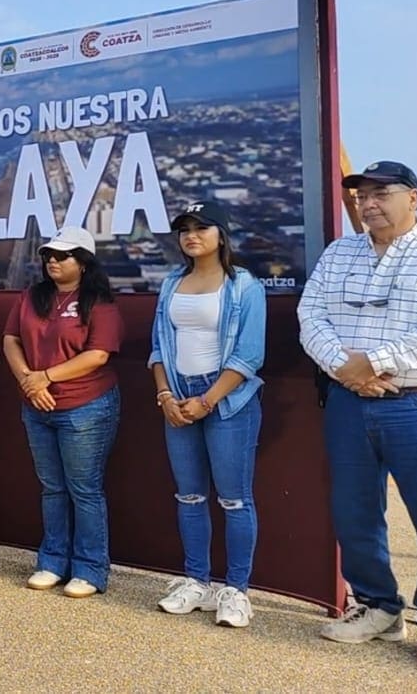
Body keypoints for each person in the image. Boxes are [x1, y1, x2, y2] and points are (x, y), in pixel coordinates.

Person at [299, 161, 417, 672]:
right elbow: (310, 315)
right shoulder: (339, 253)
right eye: (362, 196)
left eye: (382, 193)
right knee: (354, 513)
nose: (369, 203)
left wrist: (374, 361)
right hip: (349, 402)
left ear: (414, 198)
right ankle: (378, 606)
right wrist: (344, 368)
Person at [148, 202, 266, 627]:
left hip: (227, 401)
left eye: (201, 228)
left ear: (222, 234)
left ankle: (235, 590)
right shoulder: (171, 283)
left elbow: (249, 354)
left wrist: (208, 400)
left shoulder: (244, 286)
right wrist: (165, 394)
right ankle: (196, 581)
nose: (191, 236)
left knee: (234, 499)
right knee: (189, 496)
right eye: (184, 230)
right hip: (178, 397)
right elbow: (159, 347)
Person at [2, 226, 124, 598]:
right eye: (48, 256)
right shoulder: (32, 296)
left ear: (83, 263)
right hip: (37, 405)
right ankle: (52, 560)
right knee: (52, 488)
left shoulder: (99, 302)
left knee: (83, 489)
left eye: (62, 256)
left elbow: (98, 354)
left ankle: (90, 568)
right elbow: (11, 339)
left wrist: (45, 377)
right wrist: (29, 381)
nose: (52, 261)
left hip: (85, 407)